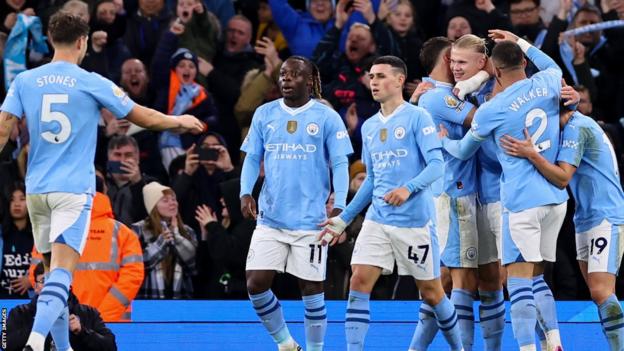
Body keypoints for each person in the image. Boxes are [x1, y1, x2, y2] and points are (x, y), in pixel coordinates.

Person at [0, 11, 203, 351]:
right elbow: (141, 115)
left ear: (51, 40)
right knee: (63, 274)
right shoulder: (90, 80)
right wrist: (178, 121)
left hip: (37, 191)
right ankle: (36, 341)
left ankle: (63, 347)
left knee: (53, 277)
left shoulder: (25, 81)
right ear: (82, 42)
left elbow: (5, 128)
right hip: (72, 193)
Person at [321, 55, 463, 351]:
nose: (374, 82)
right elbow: (371, 180)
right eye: (372, 77)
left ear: (399, 80)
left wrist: (407, 189)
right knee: (358, 280)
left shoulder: (417, 117)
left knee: (433, 293)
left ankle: (459, 348)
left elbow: (437, 166)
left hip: (414, 223)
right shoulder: (369, 126)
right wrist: (343, 219)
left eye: (381, 76)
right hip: (377, 220)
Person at [439, 30, 569, 351]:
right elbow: (550, 62)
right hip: (554, 198)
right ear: (524, 61)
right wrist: (520, 40)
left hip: (521, 199)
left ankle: (527, 348)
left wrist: (442, 139)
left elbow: (463, 151)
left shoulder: (492, 109)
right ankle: (554, 341)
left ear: (494, 71)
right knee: (538, 277)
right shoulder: (549, 81)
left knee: (519, 281)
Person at [240, 55, 353, 351]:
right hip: (271, 218)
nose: (286, 79)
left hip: (310, 221)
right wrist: (245, 191)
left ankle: (315, 349)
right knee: (255, 284)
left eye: (294, 74)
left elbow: (340, 163)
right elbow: (252, 157)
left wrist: (340, 206)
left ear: (309, 81)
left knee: (312, 289)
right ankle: (286, 344)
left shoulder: (327, 117)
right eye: (283, 74)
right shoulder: (264, 114)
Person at [500, 94, 624, 350]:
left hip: (606, 216)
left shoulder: (577, 128)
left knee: (602, 291)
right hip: (586, 217)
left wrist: (531, 154)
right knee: (597, 294)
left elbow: (563, 177)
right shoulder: (574, 124)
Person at [412, 36, 480, 351]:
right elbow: (484, 121)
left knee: (446, 279)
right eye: (454, 59)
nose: (457, 65)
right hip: (454, 194)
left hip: (447, 194)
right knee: (457, 279)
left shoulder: (427, 97)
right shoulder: (439, 98)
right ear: (445, 61)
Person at [6, 262, 117, 351]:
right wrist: (40, 324)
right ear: (35, 287)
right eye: (44, 280)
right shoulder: (19, 312)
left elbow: (111, 347)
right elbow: (4, 344)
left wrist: (82, 332)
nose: (50, 285)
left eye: (56, 281)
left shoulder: (88, 313)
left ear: (67, 285)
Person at [132, 182, 198, 299]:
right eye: (165, 200)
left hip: (181, 299)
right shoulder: (138, 229)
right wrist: (160, 243)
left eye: (173, 199)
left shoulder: (188, 231)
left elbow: (193, 267)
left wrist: (177, 237)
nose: (172, 203)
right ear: (153, 206)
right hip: (149, 298)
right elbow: (137, 266)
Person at [0, 182, 33, 298]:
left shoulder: (38, 236)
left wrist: (31, 280)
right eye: (12, 200)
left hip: (30, 303)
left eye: (22, 199)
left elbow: (50, 265)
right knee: (3, 317)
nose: (17, 204)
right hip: (3, 301)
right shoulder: (2, 235)